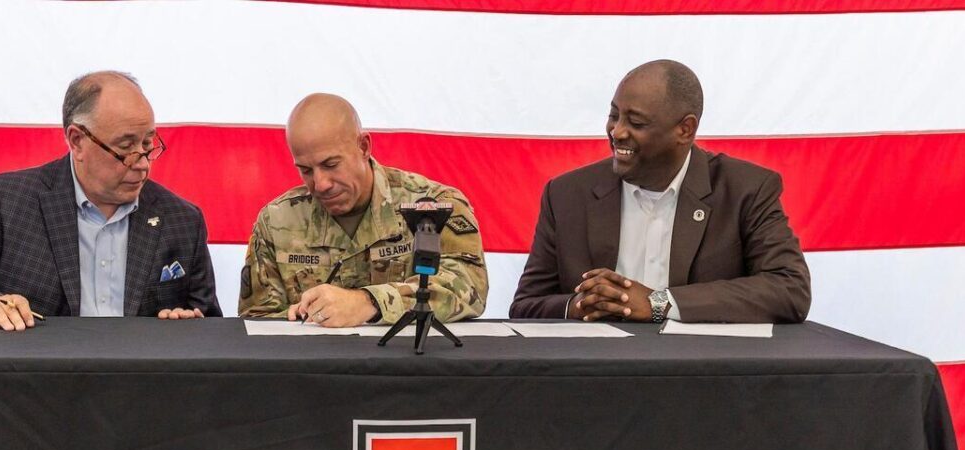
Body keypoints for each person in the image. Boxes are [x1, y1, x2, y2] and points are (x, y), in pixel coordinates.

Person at [0, 71, 221, 331]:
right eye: (126, 147)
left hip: (139, 395)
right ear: (77, 141)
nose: (142, 162)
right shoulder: (11, 202)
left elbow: (208, 325)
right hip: (37, 391)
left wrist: (188, 325)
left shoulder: (182, 219)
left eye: (148, 143)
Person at [510, 60, 810, 324]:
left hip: (700, 376)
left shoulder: (746, 189)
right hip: (598, 376)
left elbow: (788, 288)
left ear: (685, 130)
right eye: (614, 115)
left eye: (636, 122)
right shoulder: (566, 194)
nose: (617, 132)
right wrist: (578, 306)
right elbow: (525, 305)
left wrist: (659, 303)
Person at [239, 93, 487, 327]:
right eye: (306, 170)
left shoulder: (434, 206)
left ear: (364, 146)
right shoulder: (277, 221)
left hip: (409, 367)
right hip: (314, 370)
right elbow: (257, 319)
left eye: (331, 164)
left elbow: (468, 288)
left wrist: (368, 302)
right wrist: (298, 316)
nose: (321, 183)